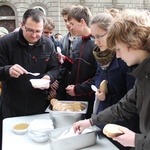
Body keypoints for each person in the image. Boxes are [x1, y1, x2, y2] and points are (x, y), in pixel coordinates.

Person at [73, 9, 150, 150]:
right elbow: (124, 106)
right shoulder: (142, 75)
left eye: (119, 49)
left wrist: (136, 140)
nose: (118, 56)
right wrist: (91, 121)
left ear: (133, 43)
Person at [0, 9, 59, 150]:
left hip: (38, 106)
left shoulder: (48, 44)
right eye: (30, 30)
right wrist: (8, 70)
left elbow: (55, 69)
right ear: (21, 25)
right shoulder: (6, 42)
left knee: (37, 144)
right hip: (11, 106)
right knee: (13, 144)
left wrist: (48, 77)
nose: (34, 35)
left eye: (38, 31)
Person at [90, 12, 139, 150]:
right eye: (94, 36)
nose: (95, 41)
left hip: (123, 120)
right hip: (104, 114)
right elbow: (98, 76)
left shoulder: (127, 59)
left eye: (99, 36)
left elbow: (132, 99)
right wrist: (100, 90)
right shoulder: (100, 55)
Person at [57, 5, 97, 118]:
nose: (70, 27)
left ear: (82, 22)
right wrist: (64, 60)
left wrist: (77, 89)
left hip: (88, 100)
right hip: (75, 98)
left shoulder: (96, 44)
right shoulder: (79, 43)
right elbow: (76, 67)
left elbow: (98, 77)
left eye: (72, 24)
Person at [56, 5, 81, 100]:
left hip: (80, 85)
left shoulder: (86, 39)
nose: (67, 24)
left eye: (69, 21)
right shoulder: (62, 39)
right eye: (65, 21)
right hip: (65, 84)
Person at [42, 17, 62, 99]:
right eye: (46, 32)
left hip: (54, 79)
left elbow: (59, 66)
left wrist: (54, 79)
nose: (48, 35)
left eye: (51, 32)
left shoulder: (56, 44)